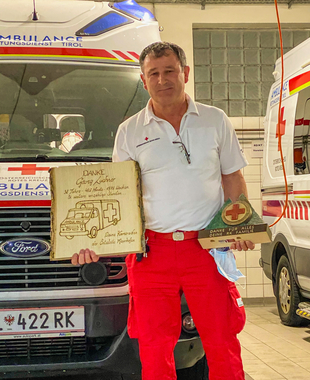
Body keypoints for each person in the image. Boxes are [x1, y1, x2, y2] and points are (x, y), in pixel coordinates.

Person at [71, 41, 254, 380]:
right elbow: (115, 195)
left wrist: (239, 227)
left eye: (169, 71)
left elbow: (233, 176)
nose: (162, 79)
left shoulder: (215, 121)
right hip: (151, 256)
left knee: (222, 340)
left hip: (207, 250)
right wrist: (88, 241)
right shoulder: (130, 131)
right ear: (143, 81)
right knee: (154, 348)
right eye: (153, 73)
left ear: (185, 73)